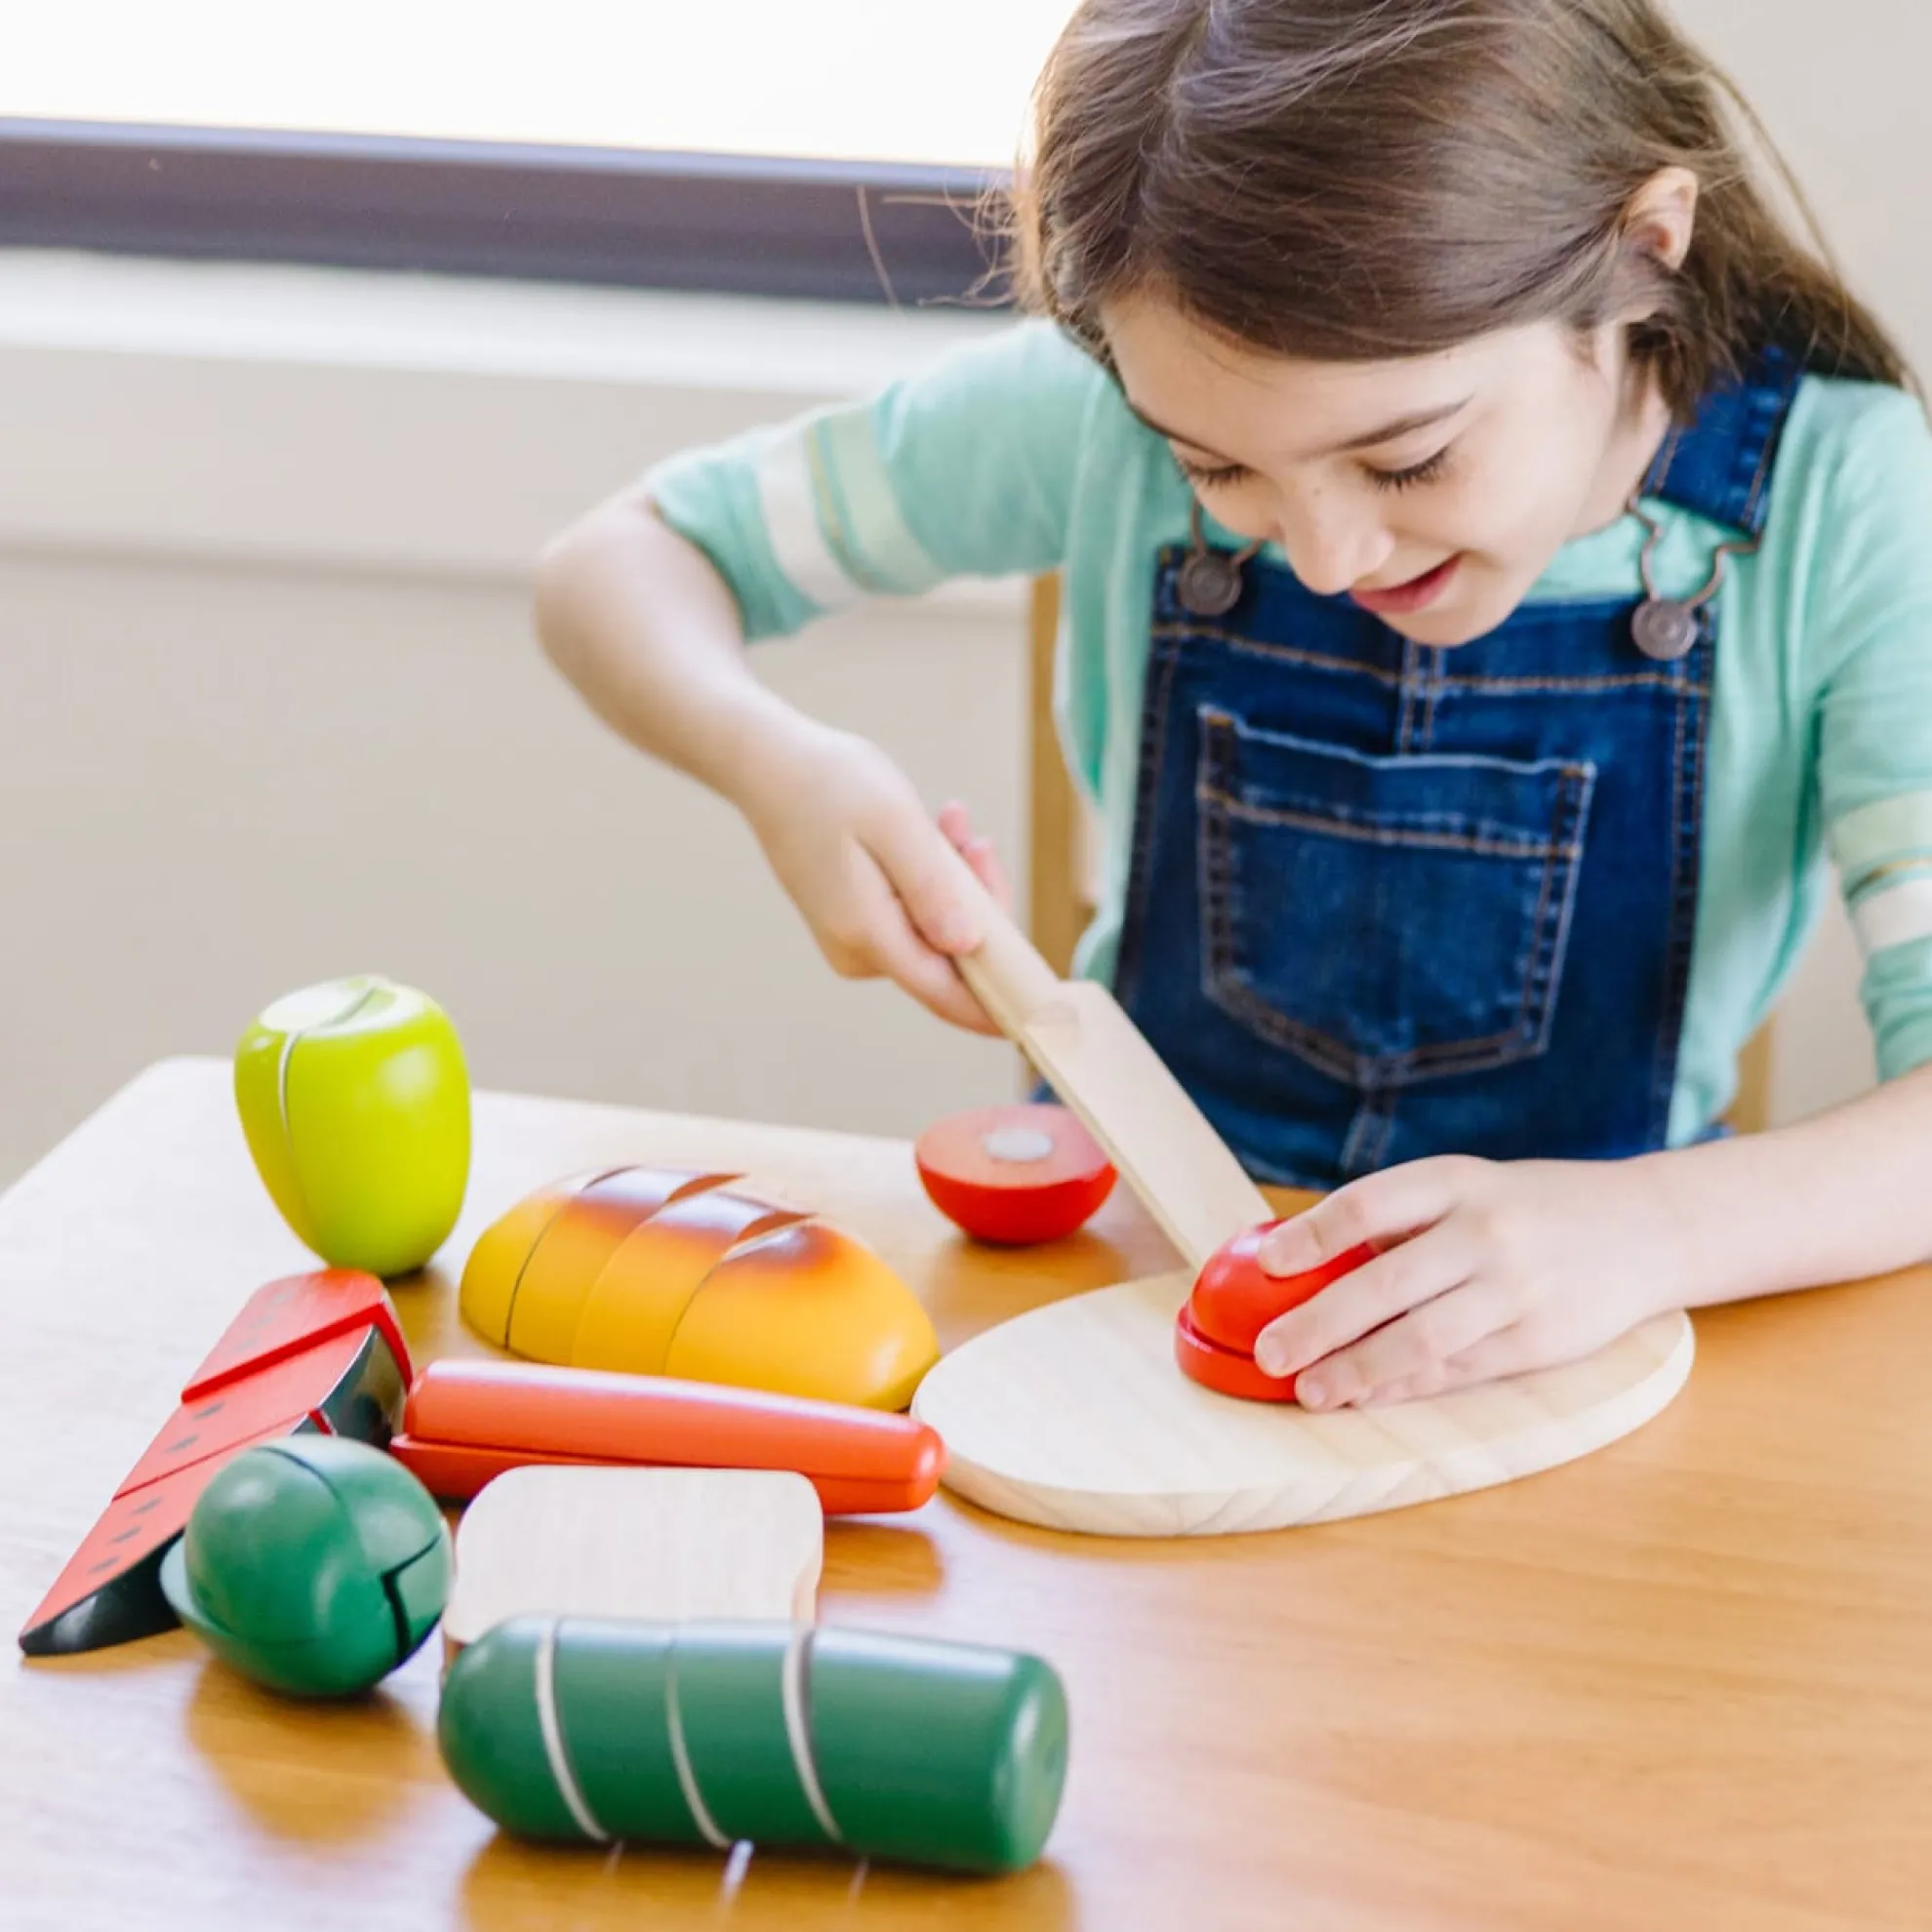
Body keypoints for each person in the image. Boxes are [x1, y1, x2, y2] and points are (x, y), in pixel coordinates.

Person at [533, 0, 1932, 1414]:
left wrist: (1650, 1231)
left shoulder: (1838, 494)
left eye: (1408, 461)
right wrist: (783, 766)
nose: (1325, 557)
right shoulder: (1102, 413)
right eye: (1215, 471)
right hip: (1124, 1303)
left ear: (1647, 248)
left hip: (1569, 1353)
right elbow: (615, 566)